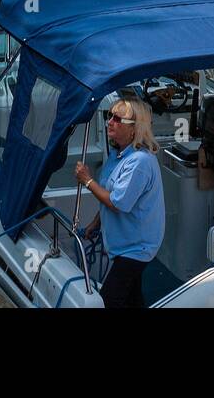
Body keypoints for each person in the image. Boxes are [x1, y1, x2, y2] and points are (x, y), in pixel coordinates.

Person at [74, 95, 165, 308]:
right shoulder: (118, 155)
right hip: (124, 245)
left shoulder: (139, 162)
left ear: (134, 129)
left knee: (109, 301)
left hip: (136, 248)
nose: (109, 122)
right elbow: (110, 193)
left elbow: (117, 203)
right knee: (132, 299)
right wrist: (96, 224)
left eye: (117, 119)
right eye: (109, 116)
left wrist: (87, 181)